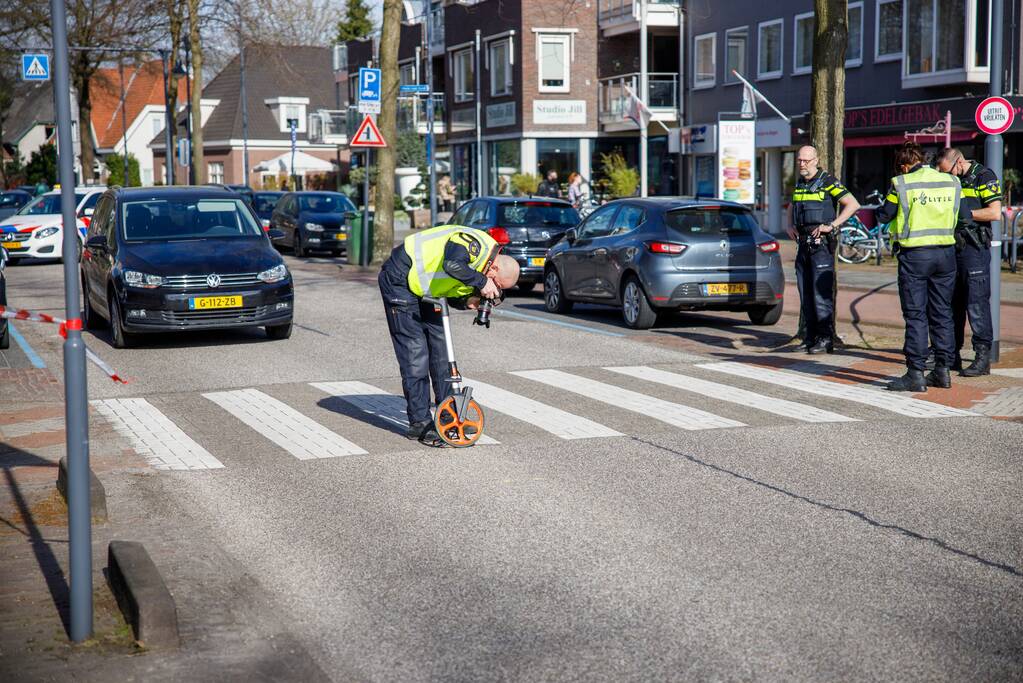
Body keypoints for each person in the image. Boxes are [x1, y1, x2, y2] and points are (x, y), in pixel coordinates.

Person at [378, 225, 520, 446]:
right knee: (415, 352)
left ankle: (447, 415)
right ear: (494, 269)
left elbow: (452, 288)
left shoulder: (480, 269)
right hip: (400, 277)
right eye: (497, 284)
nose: (493, 289)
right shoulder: (474, 244)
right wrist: (482, 283)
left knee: (441, 350)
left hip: (427, 289)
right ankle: (419, 422)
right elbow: (452, 264)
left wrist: (468, 300)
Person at [875, 142, 963, 392]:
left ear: (904, 166)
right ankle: (943, 371)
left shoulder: (901, 183)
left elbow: (884, 215)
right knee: (942, 313)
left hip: (915, 256)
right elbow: (965, 216)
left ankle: (915, 374)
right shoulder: (952, 182)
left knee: (916, 315)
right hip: (946, 254)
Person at [788, 145, 861, 354]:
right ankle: (810, 337)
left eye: (806, 160)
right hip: (803, 245)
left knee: (821, 294)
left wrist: (832, 225)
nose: (802, 164)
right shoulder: (800, 183)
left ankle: (825, 339)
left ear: (816, 160)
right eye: (799, 160)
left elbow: (853, 204)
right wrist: (789, 225)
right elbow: (792, 205)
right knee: (806, 293)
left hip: (821, 246)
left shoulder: (828, 181)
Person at [935, 147, 1001, 376]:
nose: (947, 176)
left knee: (976, 304)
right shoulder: (951, 179)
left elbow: (994, 213)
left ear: (960, 162)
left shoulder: (984, 176)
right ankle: (951, 356)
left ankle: (982, 359)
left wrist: (965, 214)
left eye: (949, 171)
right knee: (952, 303)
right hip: (952, 247)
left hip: (974, 249)